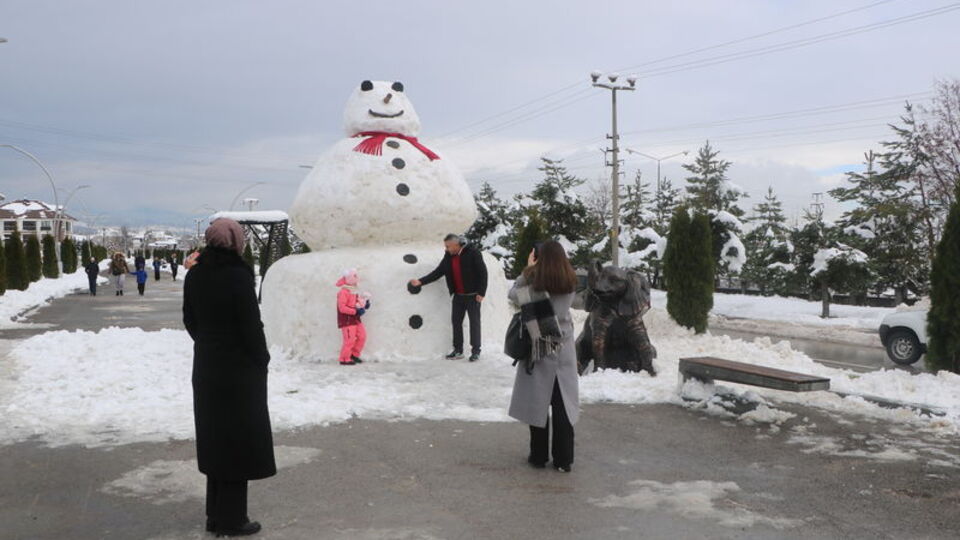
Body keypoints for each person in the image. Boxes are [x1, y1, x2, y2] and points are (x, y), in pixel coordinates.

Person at [183, 218, 275, 537]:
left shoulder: (195, 274)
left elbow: (189, 319)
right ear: (235, 241)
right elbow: (251, 325)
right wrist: (261, 358)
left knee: (216, 440)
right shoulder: (237, 275)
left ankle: (215, 514)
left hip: (207, 367)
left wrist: (209, 343)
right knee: (237, 442)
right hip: (238, 371)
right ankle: (232, 519)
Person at [508, 240, 579, 473]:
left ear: (538, 258)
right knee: (563, 405)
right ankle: (564, 459)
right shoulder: (569, 280)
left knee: (537, 403)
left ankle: (538, 455)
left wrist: (528, 269)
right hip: (563, 347)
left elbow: (514, 294)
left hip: (538, 345)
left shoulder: (534, 281)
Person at [409, 234, 488, 362]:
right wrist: (420, 281)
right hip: (458, 296)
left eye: (448, 246)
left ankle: (476, 351)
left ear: (456, 245)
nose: (446, 249)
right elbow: (438, 272)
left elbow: (483, 273)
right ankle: (458, 350)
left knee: (474, 323)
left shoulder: (473, 253)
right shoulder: (448, 256)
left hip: (473, 296)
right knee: (456, 323)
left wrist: (481, 293)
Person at [336, 269, 370, 366]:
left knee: (362, 336)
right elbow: (342, 308)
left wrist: (365, 304)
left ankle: (354, 355)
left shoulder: (354, 291)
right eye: (354, 276)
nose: (356, 278)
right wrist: (355, 311)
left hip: (356, 319)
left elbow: (358, 302)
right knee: (349, 340)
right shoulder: (343, 292)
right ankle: (344, 358)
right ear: (349, 278)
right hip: (347, 320)